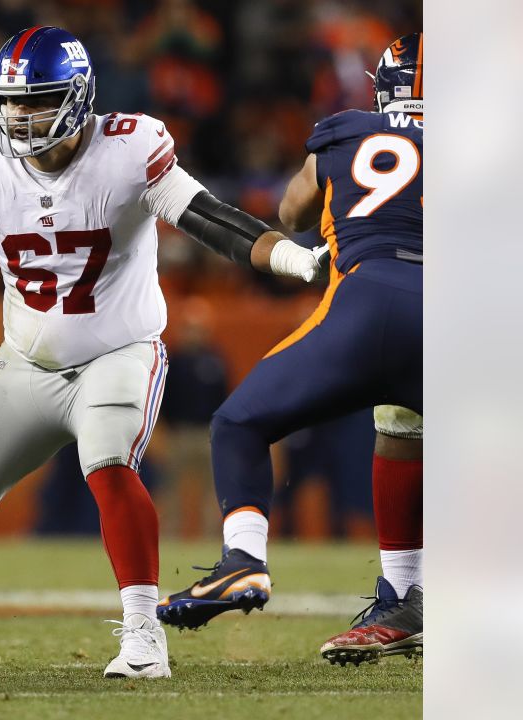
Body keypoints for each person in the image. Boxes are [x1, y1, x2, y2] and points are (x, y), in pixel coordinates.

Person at [0, 25, 321, 679]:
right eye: (12, 100)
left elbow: (209, 218)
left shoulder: (128, 150)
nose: (21, 115)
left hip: (119, 350)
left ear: (78, 99)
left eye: (39, 99)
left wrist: (287, 255)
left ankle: (142, 637)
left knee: (108, 463)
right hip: (24, 361)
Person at [157, 33, 423, 667]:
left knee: (240, 423)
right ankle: (406, 595)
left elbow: (293, 209)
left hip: (363, 300)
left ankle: (244, 559)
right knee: (405, 428)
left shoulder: (346, 130)